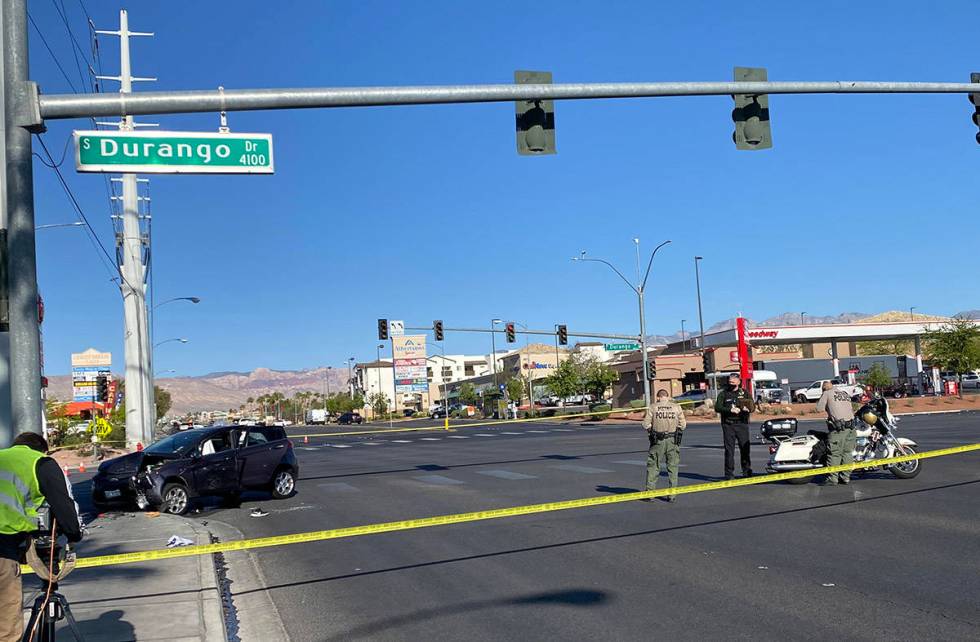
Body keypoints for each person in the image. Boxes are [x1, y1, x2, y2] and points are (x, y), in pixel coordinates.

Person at [0, 432, 82, 640]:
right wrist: (73, 534)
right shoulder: (41, 463)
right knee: (7, 627)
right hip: (3, 548)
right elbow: (63, 505)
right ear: (42, 450)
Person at [642, 389, 687, 502]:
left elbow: (645, 424)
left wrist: (651, 431)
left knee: (653, 466)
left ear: (658, 397)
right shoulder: (676, 407)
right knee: (673, 467)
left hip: (658, 440)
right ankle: (672, 495)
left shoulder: (653, 407)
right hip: (673, 440)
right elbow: (683, 425)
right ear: (668, 396)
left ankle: (650, 493)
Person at [714, 373, 755, 480]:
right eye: (729, 382)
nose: (731, 384)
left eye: (733, 382)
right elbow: (717, 407)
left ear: (738, 382)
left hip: (742, 424)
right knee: (729, 450)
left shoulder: (744, 393)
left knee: (745, 448)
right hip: (728, 425)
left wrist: (748, 408)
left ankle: (746, 470)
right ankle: (729, 474)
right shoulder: (724, 394)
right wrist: (729, 410)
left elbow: (753, 406)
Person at [816, 381, 857, 485]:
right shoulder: (844, 394)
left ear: (824, 389)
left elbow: (819, 408)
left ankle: (833, 478)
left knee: (834, 453)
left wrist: (823, 397)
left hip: (838, 429)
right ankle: (845, 477)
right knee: (847, 453)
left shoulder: (827, 393)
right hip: (851, 428)